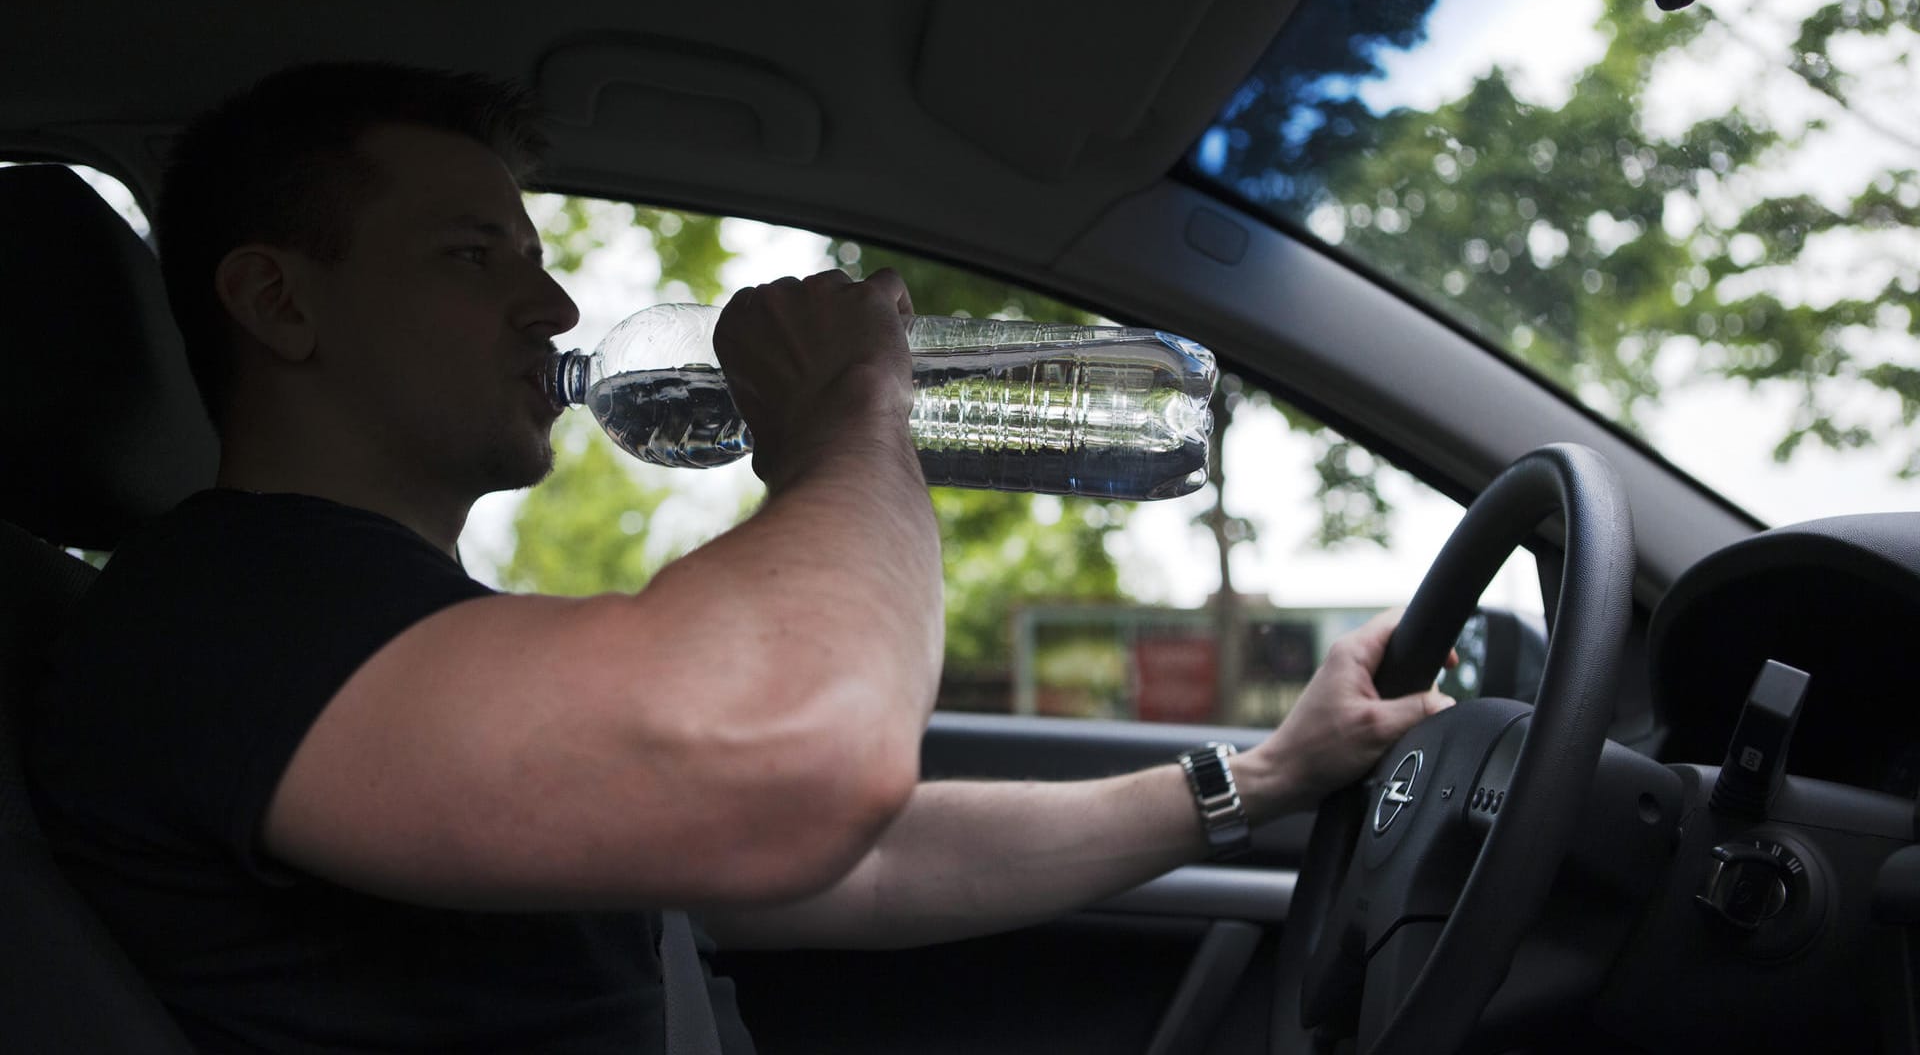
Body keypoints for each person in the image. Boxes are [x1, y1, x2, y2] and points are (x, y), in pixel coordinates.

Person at [29, 62, 1453, 1053]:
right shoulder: (223, 622)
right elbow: (796, 762)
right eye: (475, 257)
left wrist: (1255, 782)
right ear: (279, 300)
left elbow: (855, 859)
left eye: (537, 255)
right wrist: (853, 416)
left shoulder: (368, 629)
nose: (557, 302)